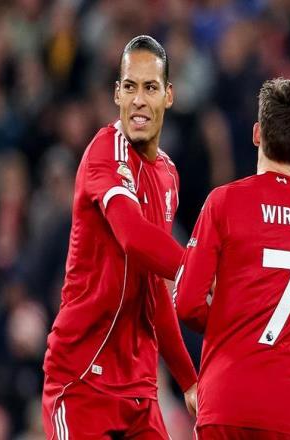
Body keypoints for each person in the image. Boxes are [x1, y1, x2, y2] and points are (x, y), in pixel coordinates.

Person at [42, 35, 197, 440]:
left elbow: (153, 286)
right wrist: (201, 270)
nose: (139, 100)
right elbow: (133, 237)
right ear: (117, 94)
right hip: (81, 380)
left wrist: (189, 380)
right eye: (130, 87)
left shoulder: (168, 175)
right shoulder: (104, 152)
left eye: (150, 87)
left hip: (138, 390)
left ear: (168, 96)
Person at [174, 78, 290, 440]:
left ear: (256, 134)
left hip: (224, 403)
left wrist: (232, 321)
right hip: (287, 414)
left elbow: (186, 304)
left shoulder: (223, 203)